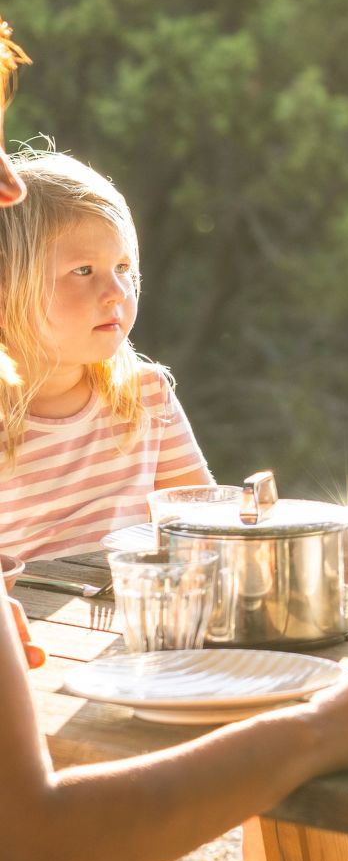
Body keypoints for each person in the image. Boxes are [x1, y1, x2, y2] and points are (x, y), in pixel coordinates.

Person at [0, 18, 348, 861]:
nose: (6, 183)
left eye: (124, 268)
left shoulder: (144, 393)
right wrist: (320, 732)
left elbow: (194, 510)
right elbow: (39, 836)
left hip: (119, 652)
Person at [0, 149, 213, 562]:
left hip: (133, 620)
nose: (117, 292)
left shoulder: (145, 396)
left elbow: (204, 526)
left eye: (122, 267)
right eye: (83, 271)